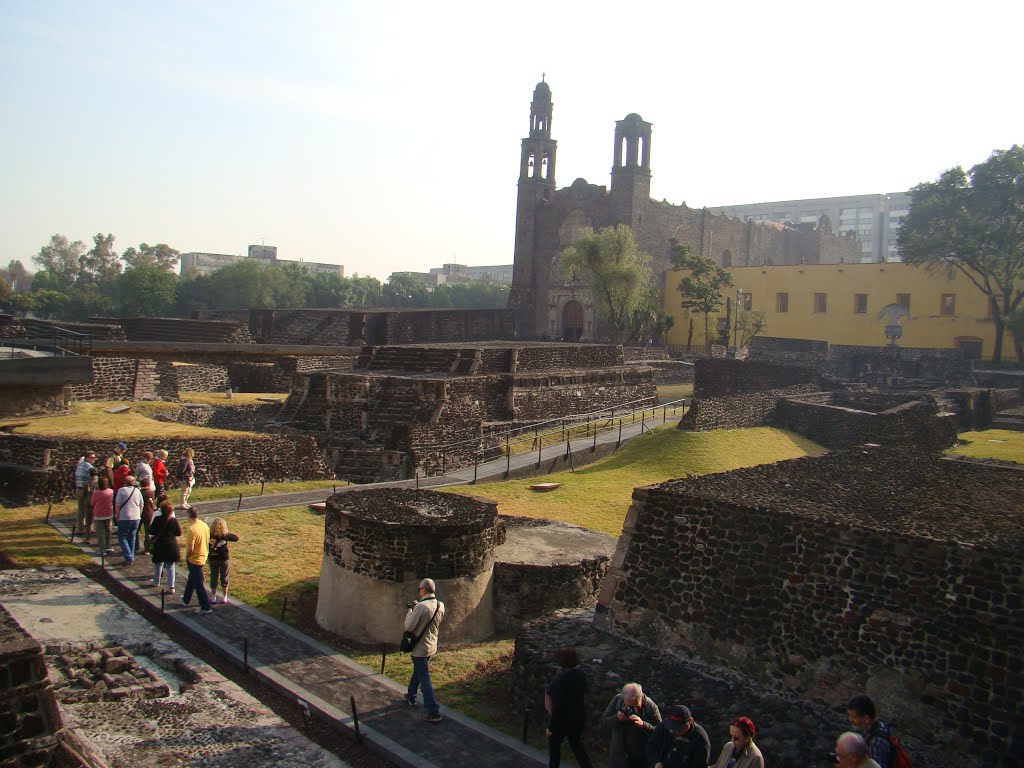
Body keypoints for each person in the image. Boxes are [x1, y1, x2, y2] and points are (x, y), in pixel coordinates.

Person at [404, 577, 446, 722]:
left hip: (420, 648)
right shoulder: (441, 605)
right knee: (419, 671)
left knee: (424, 677)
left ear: (423, 590)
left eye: (419, 589)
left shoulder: (421, 607)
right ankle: (411, 695)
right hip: (431, 645)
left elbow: (409, 626)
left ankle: (434, 711)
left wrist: (410, 610)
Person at [545, 645, 593, 768]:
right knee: (576, 745)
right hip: (578, 717)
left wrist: (551, 727)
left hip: (562, 720)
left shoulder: (561, 679)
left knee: (554, 748)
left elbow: (559, 706)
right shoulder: (581, 674)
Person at [600, 682, 662, 768]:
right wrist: (616, 718)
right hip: (617, 759)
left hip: (640, 760)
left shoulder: (650, 707)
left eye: (635, 706)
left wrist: (643, 724)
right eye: (628, 706)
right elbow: (603, 724)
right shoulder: (617, 701)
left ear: (640, 698)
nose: (631, 710)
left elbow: (660, 733)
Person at [646, 704, 710, 768]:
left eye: (680, 728)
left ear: (690, 721)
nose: (676, 732)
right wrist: (656, 761)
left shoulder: (700, 738)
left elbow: (700, 765)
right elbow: (652, 745)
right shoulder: (663, 727)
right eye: (672, 727)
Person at [847, 695, 894, 768]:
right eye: (849, 715)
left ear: (866, 718)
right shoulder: (877, 726)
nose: (850, 719)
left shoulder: (876, 743)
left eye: (854, 717)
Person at [181, 507, 212, 614]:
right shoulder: (204, 525)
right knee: (192, 578)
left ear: (189, 516)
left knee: (198, 584)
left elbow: (191, 548)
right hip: (203, 555)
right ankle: (186, 599)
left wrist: (187, 557)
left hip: (195, 559)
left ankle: (206, 607)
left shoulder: (192, 529)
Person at [150, 501, 181, 593]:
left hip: (159, 545)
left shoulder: (157, 519)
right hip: (171, 545)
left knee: (158, 564)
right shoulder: (173, 520)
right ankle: (171, 586)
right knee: (170, 566)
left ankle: (156, 581)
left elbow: (151, 531)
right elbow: (179, 533)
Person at [208, 517, 239, 604]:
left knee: (213, 577)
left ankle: (213, 597)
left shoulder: (209, 535)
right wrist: (225, 534)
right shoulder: (225, 536)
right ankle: (224, 597)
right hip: (223, 559)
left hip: (212, 558)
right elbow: (236, 538)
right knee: (224, 577)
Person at [114, 476, 143, 566]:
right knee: (132, 537)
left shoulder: (121, 490)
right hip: (136, 517)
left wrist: (117, 514)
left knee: (122, 537)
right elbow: (141, 504)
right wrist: (139, 514)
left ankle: (129, 556)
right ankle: (131, 555)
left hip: (125, 517)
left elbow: (118, 504)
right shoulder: (137, 491)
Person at [74, 451, 97, 543]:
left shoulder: (80, 464)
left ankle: (80, 529)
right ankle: (89, 529)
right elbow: (92, 480)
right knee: (88, 510)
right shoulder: (89, 467)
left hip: (78, 489)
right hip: (86, 490)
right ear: (87, 458)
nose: (94, 459)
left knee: (80, 510)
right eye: (92, 458)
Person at [90, 476, 115, 555]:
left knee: (100, 532)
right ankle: (108, 546)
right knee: (108, 531)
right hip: (108, 513)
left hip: (98, 514)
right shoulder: (111, 491)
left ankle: (102, 549)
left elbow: (92, 503)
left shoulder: (96, 493)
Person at [139, 477, 156, 553]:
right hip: (149, 513)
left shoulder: (138, 492)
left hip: (140, 513)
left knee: (136, 531)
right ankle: (147, 549)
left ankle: (136, 546)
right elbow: (152, 502)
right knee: (147, 532)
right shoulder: (151, 492)